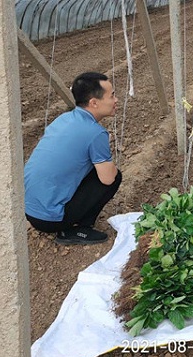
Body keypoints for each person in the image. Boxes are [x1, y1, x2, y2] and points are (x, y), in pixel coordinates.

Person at [24, 72, 122, 245]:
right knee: (114, 177)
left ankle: (66, 217)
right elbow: (107, 178)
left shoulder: (64, 118)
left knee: (90, 167)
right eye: (112, 95)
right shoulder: (95, 133)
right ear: (94, 103)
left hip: (30, 209)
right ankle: (76, 229)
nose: (116, 100)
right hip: (50, 220)